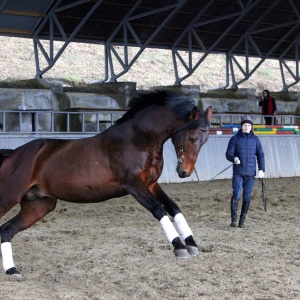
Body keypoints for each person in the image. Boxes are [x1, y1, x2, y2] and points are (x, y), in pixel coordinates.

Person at [226, 115, 265, 228]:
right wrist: (234, 158)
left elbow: (260, 155)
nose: (246, 127)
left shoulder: (256, 140)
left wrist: (262, 169)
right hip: (238, 172)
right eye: (244, 125)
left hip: (250, 173)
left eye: (248, 125)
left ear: (251, 127)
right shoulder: (234, 139)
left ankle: (242, 220)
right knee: (236, 194)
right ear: (241, 126)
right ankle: (234, 219)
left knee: (247, 197)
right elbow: (228, 153)